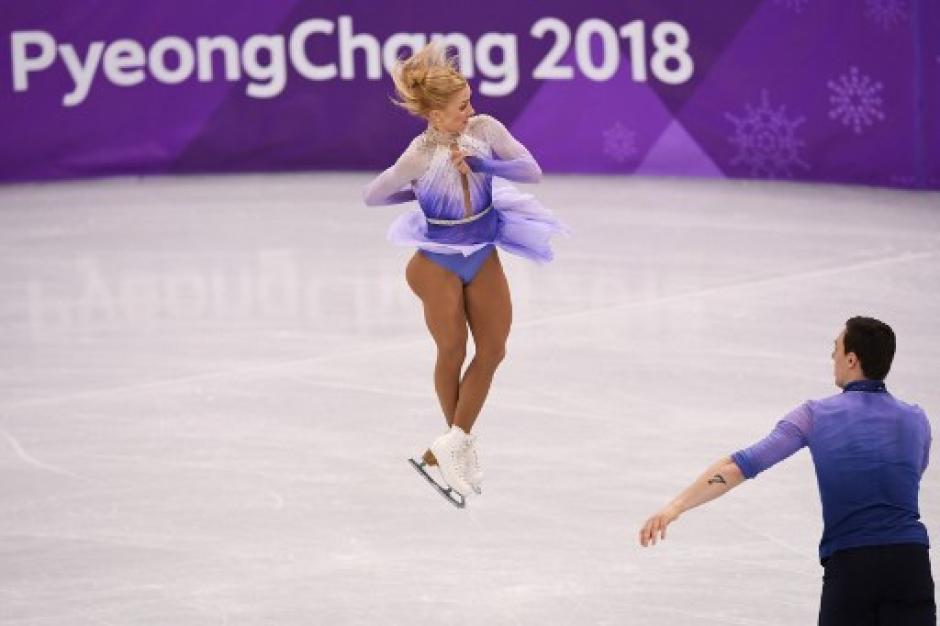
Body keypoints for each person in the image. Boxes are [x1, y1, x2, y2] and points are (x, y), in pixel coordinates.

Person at [363, 43, 566, 505]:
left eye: (469, 102)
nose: (469, 112)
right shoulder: (418, 155)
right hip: (436, 262)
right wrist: (418, 195)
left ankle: (450, 447)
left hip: (483, 251)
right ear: (435, 115)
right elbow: (373, 196)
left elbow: (532, 171)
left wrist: (484, 164)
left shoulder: (484, 130)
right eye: (460, 108)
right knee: (453, 349)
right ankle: (457, 446)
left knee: (493, 349)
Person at [639, 316, 935, 625]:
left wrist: (676, 507)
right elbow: (912, 474)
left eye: (835, 348)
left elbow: (738, 466)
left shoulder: (815, 415)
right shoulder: (916, 419)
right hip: (911, 564)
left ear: (851, 359)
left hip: (852, 567)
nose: (831, 356)